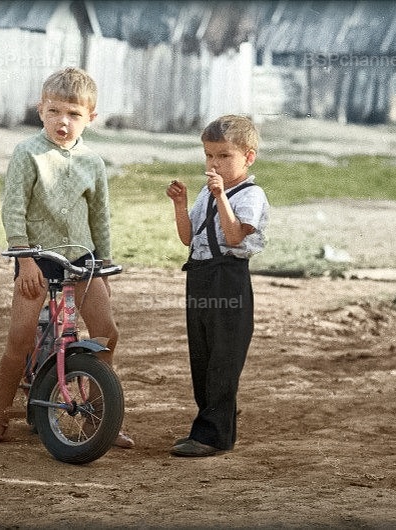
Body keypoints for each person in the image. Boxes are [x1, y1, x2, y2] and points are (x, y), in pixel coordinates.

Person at [0, 67, 134, 448]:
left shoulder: (93, 162)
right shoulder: (28, 153)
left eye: (74, 114)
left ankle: (100, 416)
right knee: (21, 337)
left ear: (90, 118)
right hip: (37, 257)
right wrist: (25, 259)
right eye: (55, 111)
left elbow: (100, 217)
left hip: (84, 260)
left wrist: (104, 265)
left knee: (108, 332)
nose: (64, 121)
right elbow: (13, 208)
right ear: (41, 109)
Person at [165, 115, 269, 457]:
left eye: (224, 156)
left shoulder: (250, 195)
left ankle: (213, 434)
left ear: (248, 157)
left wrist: (221, 196)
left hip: (229, 279)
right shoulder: (205, 193)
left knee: (224, 355)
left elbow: (234, 235)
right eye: (209, 156)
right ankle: (213, 423)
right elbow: (187, 238)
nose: (215, 163)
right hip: (200, 275)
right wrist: (180, 205)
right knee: (203, 353)